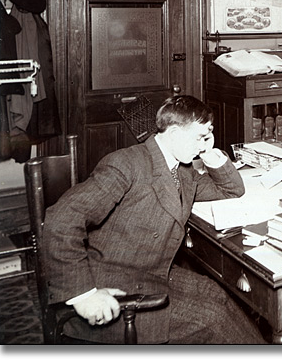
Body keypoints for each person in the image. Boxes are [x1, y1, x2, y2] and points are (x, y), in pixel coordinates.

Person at [42, 95, 266, 344]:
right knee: (212, 318)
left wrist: (213, 156)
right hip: (108, 281)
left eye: (208, 136)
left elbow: (230, 190)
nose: (203, 146)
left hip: (151, 271)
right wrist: (83, 295)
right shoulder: (126, 164)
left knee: (218, 294)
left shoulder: (183, 170)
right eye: (199, 137)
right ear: (172, 135)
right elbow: (60, 219)